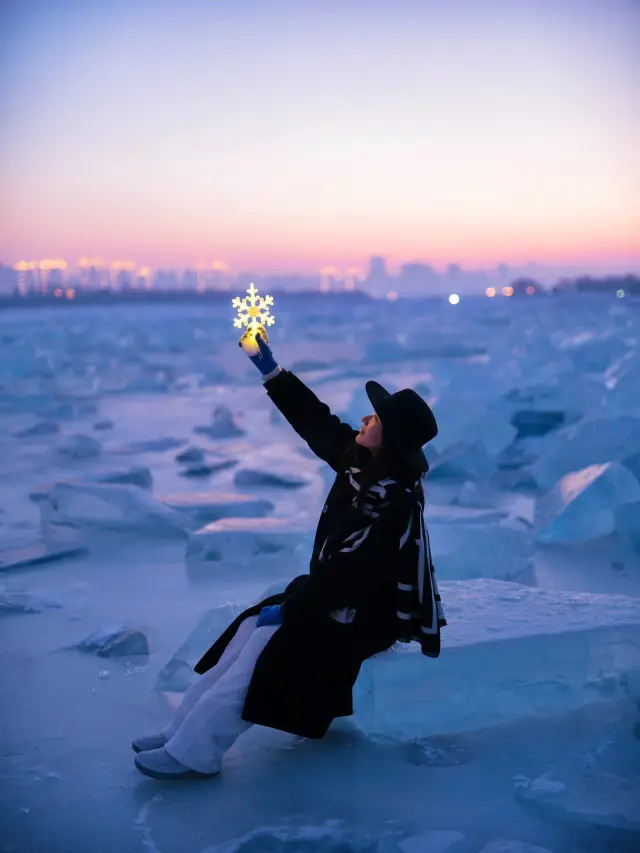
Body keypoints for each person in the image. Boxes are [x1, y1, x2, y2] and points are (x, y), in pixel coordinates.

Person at [133, 333, 446, 780]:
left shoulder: (392, 501)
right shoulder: (361, 465)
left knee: (264, 648)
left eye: (374, 417)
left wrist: (295, 607)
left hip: (367, 616)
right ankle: (179, 731)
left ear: (391, 438)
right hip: (335, 597)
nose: (363, 417)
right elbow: (315, 423)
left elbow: (352, 576)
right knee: (246, 630)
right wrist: (271, 371)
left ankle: (197, 753)